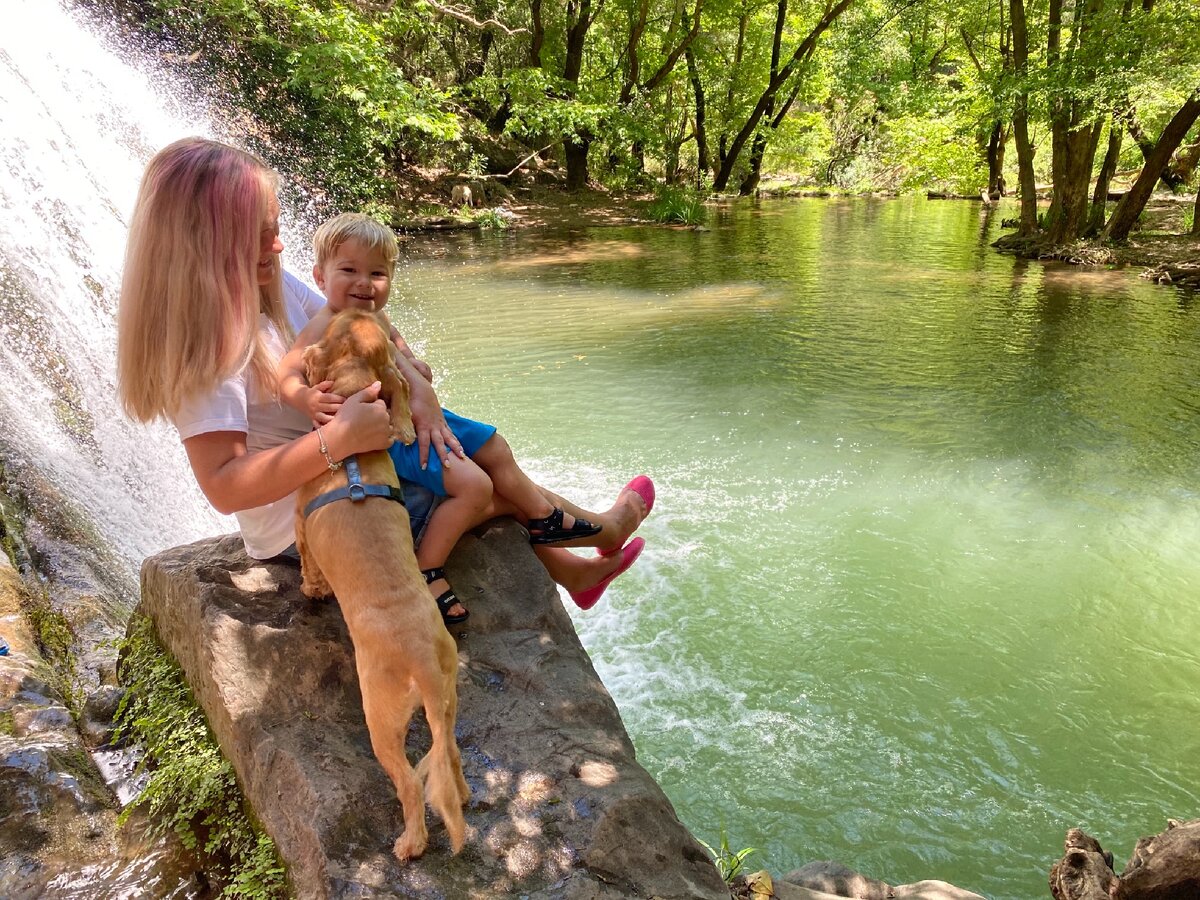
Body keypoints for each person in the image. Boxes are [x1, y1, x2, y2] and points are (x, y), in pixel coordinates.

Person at [116, 137, 651, 621]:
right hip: (316, 518)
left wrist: (422, 394)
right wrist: (338, 438)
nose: (280, 246)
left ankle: (579, 570)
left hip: (352, 461)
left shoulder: (268, 286)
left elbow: (368, 329)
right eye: (263, 235)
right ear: (209, 244)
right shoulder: (204, 349)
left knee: (477, 454)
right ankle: (594, 539)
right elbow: (224, 486)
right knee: (487, 492)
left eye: (277, 229)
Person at [277, 213, 609, 622]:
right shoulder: (322, 326)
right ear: (320, 277)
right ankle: (426, 565)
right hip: (382, 434)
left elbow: (404, 353)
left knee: (495, 446)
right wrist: (305, 399)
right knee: (474, 486)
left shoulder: (378, 318)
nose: (365, 283)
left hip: (413, 416)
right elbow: (287, 373)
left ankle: (544, 519)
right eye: (350, 270)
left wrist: (416, 366)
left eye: (377, 273)